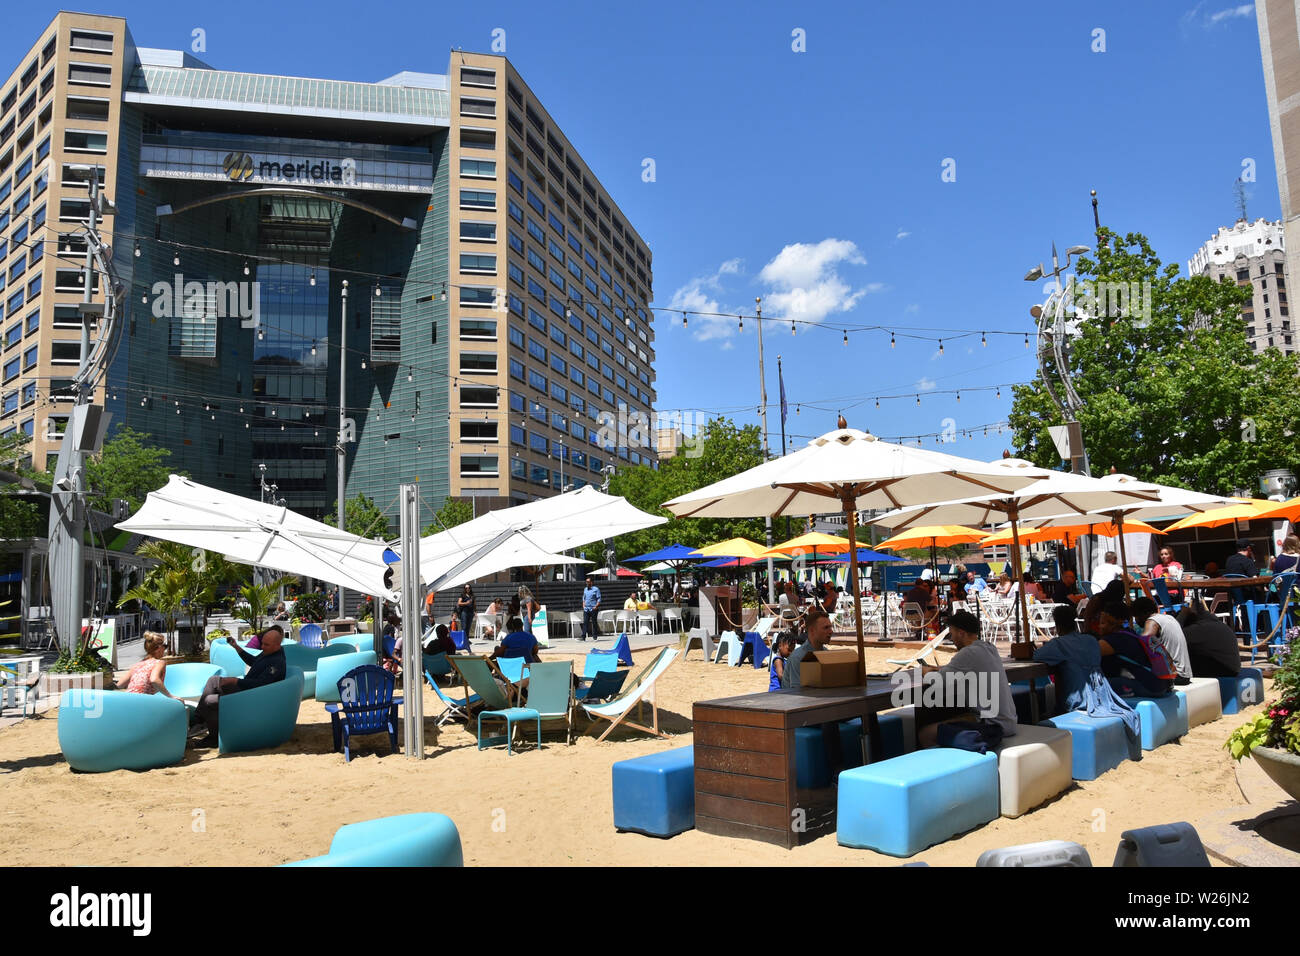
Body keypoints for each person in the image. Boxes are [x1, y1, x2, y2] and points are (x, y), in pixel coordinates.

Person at [1034, 606, 1140, 740]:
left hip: (1077, 697)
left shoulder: (1058, 644)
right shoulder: (1090, 640)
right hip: (1101, 694)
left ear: (1057, 625)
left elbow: (1037, 656)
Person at [915, 610, 1017, 748]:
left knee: (925, 733)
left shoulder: (968, 652)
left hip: (993, 727)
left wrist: (925, 671)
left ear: (961, 633)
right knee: (952, 719)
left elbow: (937, 681)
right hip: (1008, 722)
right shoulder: (989, 647)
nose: (952, 639)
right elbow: (964, 669)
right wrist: (941, 669)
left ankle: (947, 766)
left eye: (952, 634)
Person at [192, 625, 288, 746]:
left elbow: (262, 684)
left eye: (266, 645)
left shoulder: (278, 662)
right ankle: (198, 720)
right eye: (262, 643)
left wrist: (236, 681)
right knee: (214, 680)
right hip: (247, 689)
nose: (262, 647)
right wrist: (236, 647)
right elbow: (254, 662)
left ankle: (213, 737)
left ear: (277, 645)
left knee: (210, 700)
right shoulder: (268, 652)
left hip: (252, 697)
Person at [1089, 599, 1173, 698]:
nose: (1099, 626)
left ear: (1114, 623)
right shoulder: (1129, 633)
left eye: (1103, 623)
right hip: (1160, 685)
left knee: (1092, 684)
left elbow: (1087, 654)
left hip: (1150, 688)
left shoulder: (1115, 640)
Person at [1131, 596, 1192, 684]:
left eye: (1135, 617)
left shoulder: (1152, 621)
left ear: (1143, 613)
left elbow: (1144, 642)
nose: (1136, 621)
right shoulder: (1169, 618)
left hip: (1174, 675)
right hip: (1184, 675)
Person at [1176, 600, 1243, 677]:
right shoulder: (1220, 625)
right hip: (1231, 670)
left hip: (1222, 673)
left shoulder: (1196, 630)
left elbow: (1173, 636)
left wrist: (1181, 616)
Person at [782, 605, 833, 691]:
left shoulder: (826, 654)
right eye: (826, 628)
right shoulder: (798, 658)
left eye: (830, 627)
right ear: (812, 630)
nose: (831, 631)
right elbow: (797, 693)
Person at [116, 632, 180, 699]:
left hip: (128, 698)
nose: (165, 650)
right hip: (143, 700)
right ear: (158, 648)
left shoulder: (137, 665)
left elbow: (119, 685)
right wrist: (170, 696)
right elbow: (154, 680)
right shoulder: (159, 662)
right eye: (165, 646)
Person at [581, 575, 601, 642]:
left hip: (593, 609)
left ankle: (595, 636)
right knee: (585, 622)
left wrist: (596, 606)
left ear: (591, 582)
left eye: (588, 581)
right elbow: (584, 598)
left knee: (594, 622)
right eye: (586, 581)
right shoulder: (585, 589)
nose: (587, 583)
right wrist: (583, 605)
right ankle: (583, 637)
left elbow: (599, 599)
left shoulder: (596, 589)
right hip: (586, 609)